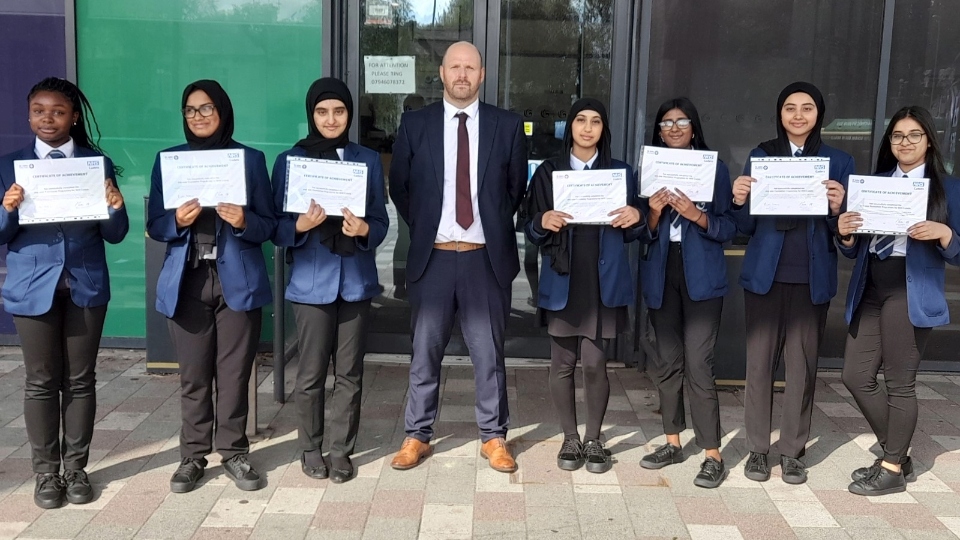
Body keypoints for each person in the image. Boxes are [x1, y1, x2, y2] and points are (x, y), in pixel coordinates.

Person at [388, 41, 526, 473]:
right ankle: (417, 435)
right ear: (442, 74)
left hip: (484, 259)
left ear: (481, 75)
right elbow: (401, 187)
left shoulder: (506, 125)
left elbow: (514, 189)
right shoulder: (416, 124)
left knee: (489, 353)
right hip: (435, 257)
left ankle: (494, 437)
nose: (462, 74)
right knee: (425, 351)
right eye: (455, 67)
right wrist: (430, 227)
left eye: (470, 67)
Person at [0, 77, 128, 508]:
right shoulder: (8, 165)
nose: (47, 118)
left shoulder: (97, 164)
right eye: (39, 110)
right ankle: (45, 474)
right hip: (32, 286)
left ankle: (76, 469)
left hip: (85, 284)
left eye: (57, 111)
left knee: (80, 380)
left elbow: (115, 233)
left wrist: (115, 205)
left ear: (73, 117)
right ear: (29, 114)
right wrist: (7, 210)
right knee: (40, 381)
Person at [147, 80, 275, 493]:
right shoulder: (169, 160)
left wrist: (243, 221)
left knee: (235, 373)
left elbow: (269, 225)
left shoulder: (250, 160)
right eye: (190, 110)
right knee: (194, 375)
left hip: (236, 278)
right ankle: (193, 455)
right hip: (187, 280)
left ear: (223, 111)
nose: (198, 117)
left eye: (206, 109)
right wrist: (177, 222)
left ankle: (234, 452)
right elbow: (155, 224)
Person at [730, 81, 852, 484]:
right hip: (765, 276)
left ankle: (793, 451)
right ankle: (758, 450)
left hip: (811, 279)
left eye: (807, 108)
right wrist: (739, 198)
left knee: (801, 369)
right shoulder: (761, 156)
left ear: (819, 115)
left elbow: (849, 234)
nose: (798, 115)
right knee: (759, 367)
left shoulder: (838, 161)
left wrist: (838, 210)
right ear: (779, 114)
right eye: (789, 108)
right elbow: (744, 226)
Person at [837, 106, 960, 496]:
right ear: (889, 142)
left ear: (928, 141)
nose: (905, 142)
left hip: (909, 292)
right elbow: (855, 250)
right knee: (854, 376)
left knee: (899, 383)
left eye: (914, 135)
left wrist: (943, 232)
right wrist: (844, 232)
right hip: (871, 288)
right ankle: (898, 451)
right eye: (897, 136)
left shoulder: (948, 188)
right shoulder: (873, 184)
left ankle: (891, 467)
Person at [271, 77, 389, 484]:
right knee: (310, 374)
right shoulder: (291, 161)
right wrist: (299, 225)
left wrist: (364, 231)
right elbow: (275, 227)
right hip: (311, 282)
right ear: (311, 114)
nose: (331, 119)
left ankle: (341, 450)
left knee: (351, 374)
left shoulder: (367, 159)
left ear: (349, 114)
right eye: (322, 111)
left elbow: (381, 220)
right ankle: (310, 447)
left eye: (339, 111)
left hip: (355, 280)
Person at [523, 98, 642, 474]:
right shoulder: (548, 172)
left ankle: (593, 439)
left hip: (602, 281)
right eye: (580, 120)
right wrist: (544, 220)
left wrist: (636, 214)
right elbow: (530, 228)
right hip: (564, 279)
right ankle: (569, 438)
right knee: (562, 363)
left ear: (603, 129)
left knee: (594, 363)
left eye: (595, 121)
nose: (587, 128)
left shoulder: (620, 173)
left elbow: (637, 229)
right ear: (569, 127)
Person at [637, 97, 736, 488]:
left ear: (694, 127)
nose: (673, 128)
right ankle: (672, 441)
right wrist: (655, 212)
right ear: (658, 131)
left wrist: (698, 216)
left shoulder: (716, 170)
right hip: (662, 272)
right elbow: (637, 231)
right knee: (667, 362)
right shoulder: (648, 171)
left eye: (681, 122)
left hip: (702, 276)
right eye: (666, 123)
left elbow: (731, 227)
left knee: (699, 364)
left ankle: (712, 453)